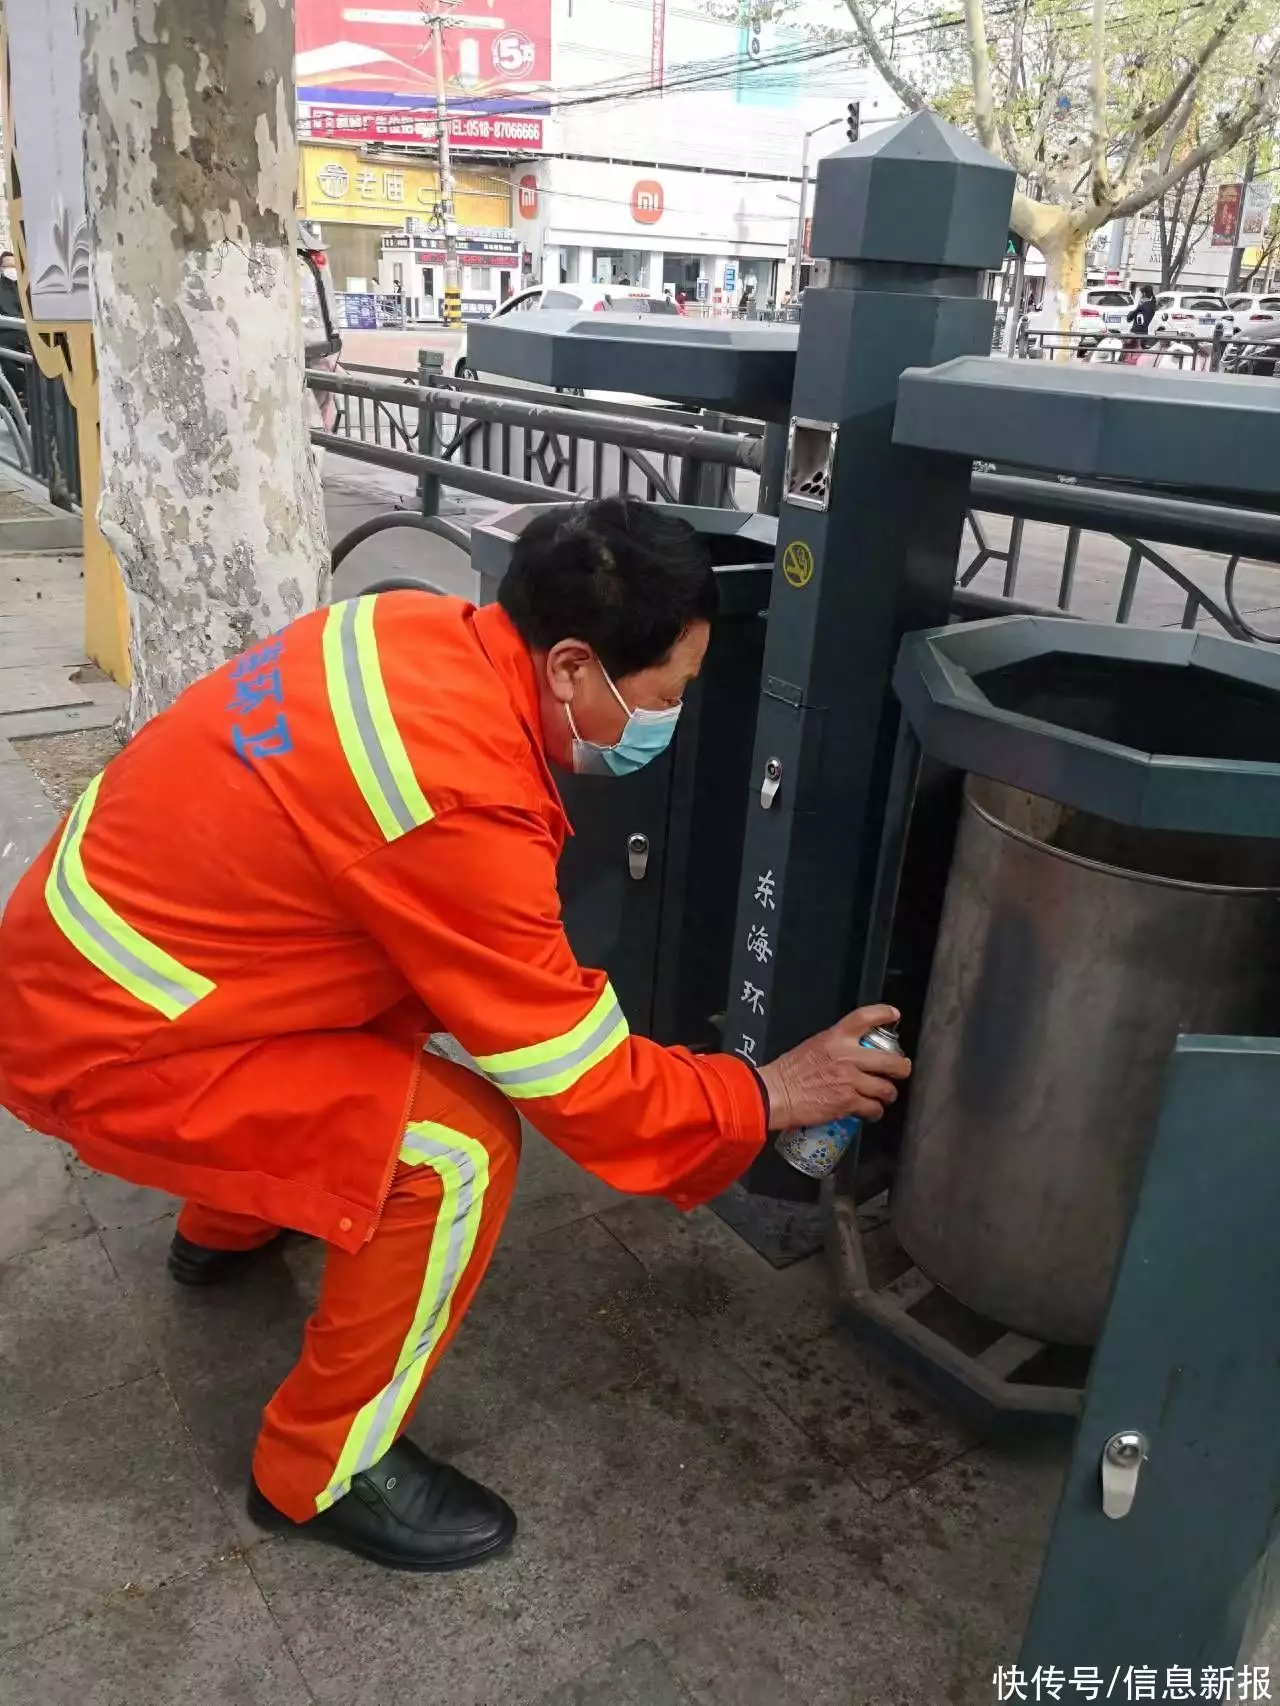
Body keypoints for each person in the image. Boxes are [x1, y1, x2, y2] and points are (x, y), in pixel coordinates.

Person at [0, 498, 909, 1574]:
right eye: (664, 694)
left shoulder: (403, 629)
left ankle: (225, 1227)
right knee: (454, 1150)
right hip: (110, 1044)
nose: (668, 718)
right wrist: (763, 1094)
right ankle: (319, 1468)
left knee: (384, 989)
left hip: (105, 967)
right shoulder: (454, 797)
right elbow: (580, 1080)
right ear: (570, 665)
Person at [0, 250, 28, 412]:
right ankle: (18, 395)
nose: (11, 269)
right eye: (7, 266)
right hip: (6, 334)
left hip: (26, 334)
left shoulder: (25, 286)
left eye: (14, 265)